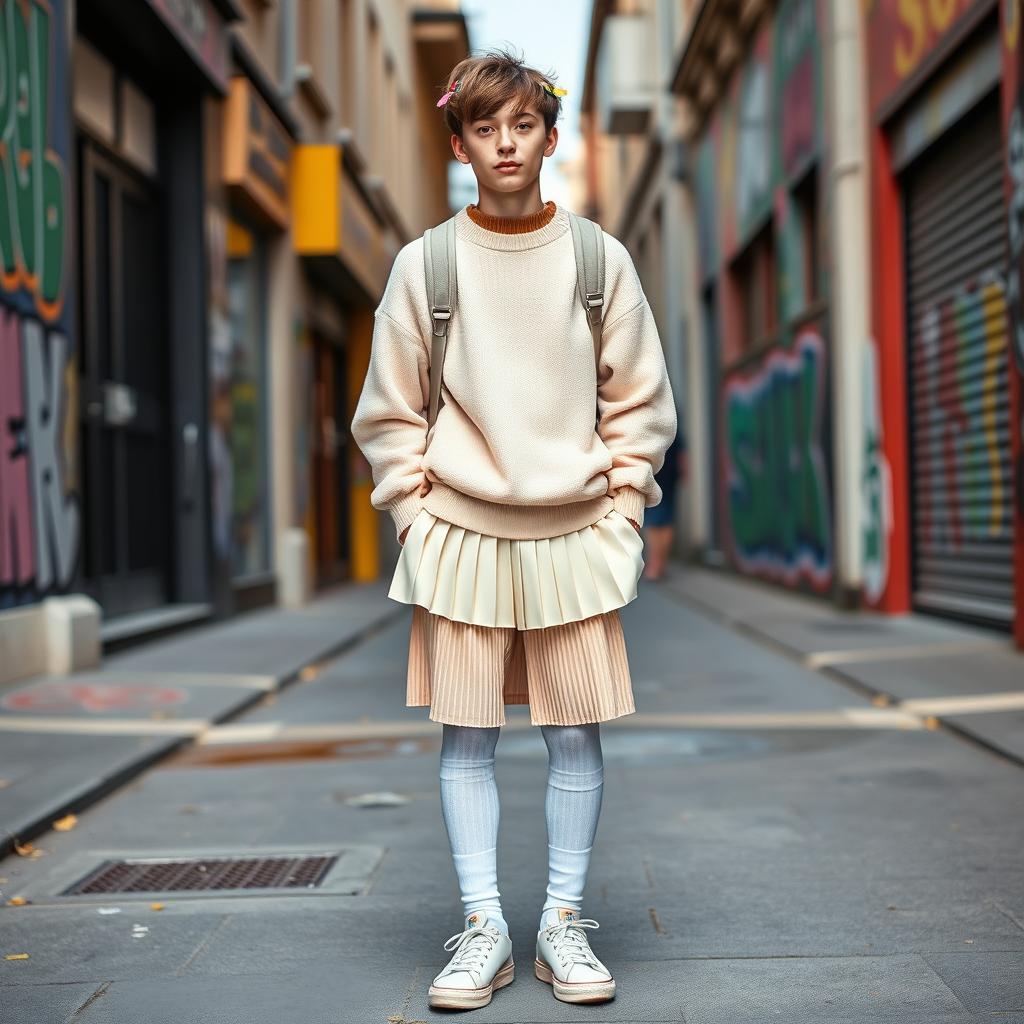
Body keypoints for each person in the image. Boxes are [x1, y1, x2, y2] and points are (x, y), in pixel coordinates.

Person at [350, 47, 676, 1013]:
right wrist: (412, 514)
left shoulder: (595, 257)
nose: (504, 144)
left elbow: (641, 400)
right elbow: (389, 412)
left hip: (579, 531)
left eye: (522, 126)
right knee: (467, 735)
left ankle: (562, 923)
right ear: (458, 143)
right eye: (484, 129)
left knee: (574, 732)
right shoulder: (427, 263)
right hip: (459, 531)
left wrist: (624, 506)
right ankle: (485, 924)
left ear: (549, 136)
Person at [641, 427, 687, 581]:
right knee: (665, 520)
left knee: (653, 522)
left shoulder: (649, 423)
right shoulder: (673, 424)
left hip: (656, 475)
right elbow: (682, 451)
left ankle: (655, 565)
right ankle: (661, 563)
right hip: (668, 475)